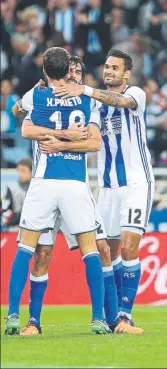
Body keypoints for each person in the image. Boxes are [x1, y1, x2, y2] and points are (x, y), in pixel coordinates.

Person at [12, 55, 143, 336]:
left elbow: (93, 141)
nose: (73, 75)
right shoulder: (41, 94)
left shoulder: (89, 100)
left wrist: (60, 142)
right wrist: (23, 105)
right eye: (69, 70)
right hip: (45, 185)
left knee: (102, 249)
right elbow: (17, 112)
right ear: (61, 73)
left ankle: (112, 319)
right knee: (42, 254)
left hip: (78, 187)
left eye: (78, 71)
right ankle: (33, 321)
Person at [5, 46, 111, 336]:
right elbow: (91, 140)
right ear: (69, 71)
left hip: (44, 181)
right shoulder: (85, 100)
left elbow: (25, 127)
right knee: (90, 251)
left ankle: (13, 313)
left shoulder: (37, 96)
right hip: (75, 182)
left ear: (44, 71)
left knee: (26, 247)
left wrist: (56, 138)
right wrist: (68, 135)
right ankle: (98, 318)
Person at [53, 48, 155, 326]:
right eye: (107, 67)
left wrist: (84, 89)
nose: (109, 71)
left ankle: (126, 314)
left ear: (126, 73)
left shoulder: (136, 94)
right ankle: (112, 316)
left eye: (115, 67)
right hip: (107, 189)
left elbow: (120, 101)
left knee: (130, 247)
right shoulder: (93, 105)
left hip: (136, 184)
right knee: (105, 252)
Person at [1, 159, 32, 232]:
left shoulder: (39, 189)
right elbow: (4, 214)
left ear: (32, 171)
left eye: (23, 171)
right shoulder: (11, 188)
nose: (20, 174)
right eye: (18, 170)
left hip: (35, 232)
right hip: (14, 231)